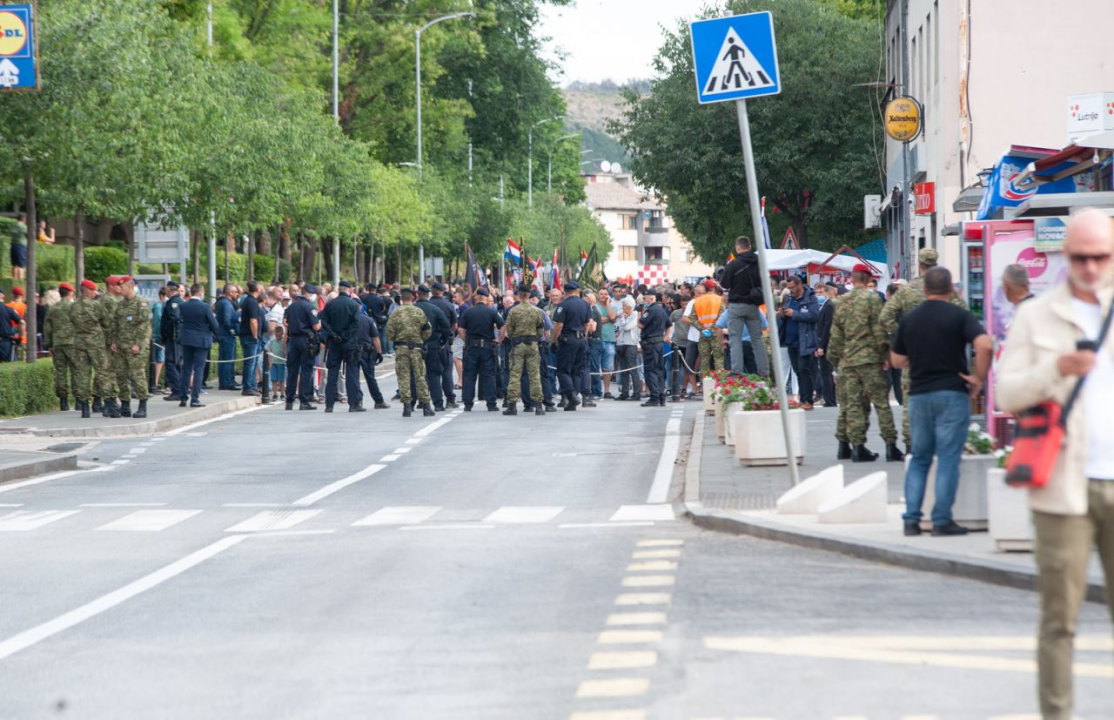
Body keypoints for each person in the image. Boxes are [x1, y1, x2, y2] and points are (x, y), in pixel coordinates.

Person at [996, 209, 1114, 720]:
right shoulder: (1036, 315)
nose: (1091, 267)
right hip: (1063, 486)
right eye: (1081, 257)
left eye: (1101, 256)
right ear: (1066, 257)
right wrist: (1056, 368)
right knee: (1059, 621)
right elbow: (1007, 391)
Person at [891, 266, 992, 537]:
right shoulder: (960, 315)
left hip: (919, 395)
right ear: (951, 289)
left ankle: (911, 520)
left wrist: (918, 356)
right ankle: (941, 520)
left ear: (924, 290)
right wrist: (978, 378)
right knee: (948, 457)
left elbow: (897, 360)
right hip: (952, 392)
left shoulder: (910, 319)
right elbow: (985, 345)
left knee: (920, 458)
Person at [881, 247, 968, 451]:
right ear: (935, 264)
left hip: (913, 354)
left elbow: (885, 317)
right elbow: (964, 316)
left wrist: (904, 336)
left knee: (910, 399)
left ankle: (911, 445)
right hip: (944, 356)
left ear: (919, 265)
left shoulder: (907, 291)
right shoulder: (947, 290)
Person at [827, 265, 903, 463]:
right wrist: (885, 356)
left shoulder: (841, 301)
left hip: (847, 359)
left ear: (851, 279)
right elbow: (879, 331)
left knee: (851, 403)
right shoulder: (872, 299)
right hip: (869, 360)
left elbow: (835, 335)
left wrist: (835, 361)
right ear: (868, 279)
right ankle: (890, 445)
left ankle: (854, 447)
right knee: (881, 403)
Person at [722, 236, 769, 377]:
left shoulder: (733, 264)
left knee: (735, 338)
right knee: (757, 339)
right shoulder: (760, 263)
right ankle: (764, 372)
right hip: (754, 306)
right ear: (749, 246)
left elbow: (725, 284)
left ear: (738, 248)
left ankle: (737, 371)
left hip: (736, 305)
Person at [386, 288, 434, 417]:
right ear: (412, 298)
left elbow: (389, 334)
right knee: (420, 376)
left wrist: (398, 338)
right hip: (417, 348)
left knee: (404, 378)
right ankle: (426, 407)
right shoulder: (419, 312)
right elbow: (427, 330)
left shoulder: (395, 313)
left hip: (401, 349)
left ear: (401, 299)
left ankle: (407, 407)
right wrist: (420, 339)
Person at [501, 284, 546, 416]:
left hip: (518, 345)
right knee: (534, 375)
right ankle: (538, 406)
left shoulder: (513, 311)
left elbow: (509, 330)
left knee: (515, 375)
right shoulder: (537, 311)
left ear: (519, 295)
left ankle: (512, 405)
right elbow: (540, 331)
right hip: (532, 345)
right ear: (529, 295)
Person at [70, 280, 113, 418]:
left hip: (79, 343)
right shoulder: (96, 305)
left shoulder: (73, 306)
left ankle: (84, 407)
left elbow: (72, 321)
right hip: (96, 343)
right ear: (87, 290)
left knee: (83, 374)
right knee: (102, 372)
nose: (95, 293)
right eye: (93, 290)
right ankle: (107, 404)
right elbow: (107, 322)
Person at [110, 277, 152, 419]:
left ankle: (142, 406)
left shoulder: (141, 303)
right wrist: (114, 341)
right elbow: (116, 324)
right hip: (121, 346)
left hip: (135, 346)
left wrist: (138, 344)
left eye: (121, 287)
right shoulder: (121, 305)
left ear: (129, 287)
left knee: (137, 375)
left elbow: (143, 325)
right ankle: (125, 405)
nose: (119, 290)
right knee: (121, 375)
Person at [778, 275, 821, 410]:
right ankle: (803, 399)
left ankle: (807, 400)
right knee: (798, 371)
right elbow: (786, 315)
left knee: (804, 370)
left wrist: (794, 314)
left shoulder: (810, 298)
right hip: (790, 341)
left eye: (792, 288)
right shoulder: (789, 298)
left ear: (799, 285)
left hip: (804, 340)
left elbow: (814, 316)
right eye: (788, 288)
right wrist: (782, 314)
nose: (790, 290)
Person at [319, 280, 363, 412]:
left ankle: (329, 404)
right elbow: (355, 324)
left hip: (334, 342)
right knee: (352, 372)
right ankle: (353, 403)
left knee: (332, 373)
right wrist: (345, 336)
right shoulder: (353, 305)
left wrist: (334, 335)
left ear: (339, 290)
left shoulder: (330, 304)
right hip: (349, 343)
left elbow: (324, 322)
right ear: (349, 290)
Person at [458, 288, 504, 411]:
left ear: (477, 298)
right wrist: (499, 340)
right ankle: (491, 404)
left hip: (472, 348)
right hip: (488, 348)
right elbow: (503, 326)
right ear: (486, 299)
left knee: (469, 375)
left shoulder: (468, 312)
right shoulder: (492, 312)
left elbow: (461, 330)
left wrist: (466, 341)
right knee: (489, 375)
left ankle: (468, 404)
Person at [177, 283, 220, 408]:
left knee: (186, 369)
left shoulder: (183, 306)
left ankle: (183, 398)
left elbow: (180, 320)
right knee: (198, 369)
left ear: (190, 293)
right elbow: (215, 325)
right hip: (201, 340)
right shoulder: (205, 307)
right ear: (201, 293)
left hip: (187, 339)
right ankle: (195, 398)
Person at [552, 281, 592, 411]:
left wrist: (554, 341)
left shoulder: (563, 305)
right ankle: (572, 399)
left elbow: (559, 325)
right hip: (581, 339)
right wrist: (583, 336)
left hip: (568, 339)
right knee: (576, 370)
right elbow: (587, 324)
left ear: (565, 291)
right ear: (577, 291)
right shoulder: (585, 304)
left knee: (563, 370)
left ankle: (571, 396)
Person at [283, 284, 322, 411]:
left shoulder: (291, 306)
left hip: (293, 339)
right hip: (306, 340)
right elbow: (316, 326)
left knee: (292, 370)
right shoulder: (309, 307)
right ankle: (304, 400)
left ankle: (289, 400)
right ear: (308, 294)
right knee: (306, 370)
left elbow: (285, 322)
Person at [416, 285, 451, 411]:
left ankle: (414, 403)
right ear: (428, 295)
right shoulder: (435, 309)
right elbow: (446, 327)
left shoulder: (411, 309)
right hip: (432, 345)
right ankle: (438, 403)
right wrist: (443, 340)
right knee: (434, 374)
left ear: (417, 294)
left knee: (415, 374)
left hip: (414, 346)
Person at [43, 283, 76, 410]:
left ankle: (63, 401)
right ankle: (79, 400)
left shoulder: (53, 308)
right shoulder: (74, 307)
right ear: (70, 293)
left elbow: (47, 328)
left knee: (61, 372)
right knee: (77, 371)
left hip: (57, 344)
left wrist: (49, 344)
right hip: (73, 343)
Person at [638, 291, 672, 407]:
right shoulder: (662, 310)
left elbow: (640, 325)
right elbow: (669, 326)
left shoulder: (651, 310)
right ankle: (661, 397)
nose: (644, 301)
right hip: (658, 343)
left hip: (650, 343)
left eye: (645, 298)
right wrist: (665, 338)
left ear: (650, 299)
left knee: (650, 370)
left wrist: (640, 313)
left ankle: (654, 397)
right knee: (659, 371)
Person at [429, 282, 458, 408]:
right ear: (442, 291)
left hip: (429, 341)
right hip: (444, 341)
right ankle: (450, 399)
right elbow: (454, 325)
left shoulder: (426, 305)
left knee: (432, 373)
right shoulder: (449, 305)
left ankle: (436, 402)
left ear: (432, 291)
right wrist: (449, 336)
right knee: (447, 370)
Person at [689, 279, 725, 376]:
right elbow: (722, 316)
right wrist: (712, 328)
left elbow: (692, 317)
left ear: (705, 288)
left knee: (704, 360)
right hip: (717, 333)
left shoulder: (697, 301)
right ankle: (720, 384)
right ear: (714, 288)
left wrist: (702, 328)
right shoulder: (719, 299)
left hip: (703, 334)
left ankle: (705, 384)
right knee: (718, 359)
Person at [354, 308, 389, 410]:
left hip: (353, 350)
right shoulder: (368, 320)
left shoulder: (349, 319)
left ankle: (357, 401)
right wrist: (379, 352)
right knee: (370, 377)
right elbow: (375, 337)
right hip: (366, 351)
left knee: (354, 377)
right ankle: (378, 401)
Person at [814, 283, 838, 409]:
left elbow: (827, 328)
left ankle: (829, 399)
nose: (819, 295)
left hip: (827, 344)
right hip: (825, 343)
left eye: (822, 292)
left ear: (828, 292)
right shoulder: (824, 306)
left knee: (826, 372)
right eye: (817, 292)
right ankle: (831, 399)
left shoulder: (829, 306)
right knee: (827, 372)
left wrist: (821, 346)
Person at [239, 281, 264, 397]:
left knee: (251, 363)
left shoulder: (247, 301)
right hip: (250, 336)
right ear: (258, 290)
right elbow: (253, 321)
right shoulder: (252, 302)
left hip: (247, 335)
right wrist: (255, 336)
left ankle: (252, 385)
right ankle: (248, 386)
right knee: (250, 362)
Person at [161, 282, 185, 403]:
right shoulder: (179, 301)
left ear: (170, 290)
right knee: (177, 363)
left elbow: (174, 320)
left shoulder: (173, 303)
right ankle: (180, 389)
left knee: (171, 363)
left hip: (174, 339)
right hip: (177, 338)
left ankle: (177, 390)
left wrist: (167, 334)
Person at [615, 296, 640, 401]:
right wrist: (622, 317)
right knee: (624, 370)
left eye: (624, 306)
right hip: (621, 343)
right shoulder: (622, 315)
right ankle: (624, 392)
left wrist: (624, 319)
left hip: (631, 344)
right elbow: (618, 326)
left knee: (632, 369)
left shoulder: (635, 315)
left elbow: (626, 327)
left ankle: (636, 393)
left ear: (630, 307)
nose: (623, 308)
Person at [214, 285, 239, 390]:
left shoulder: (220, 302)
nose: (237, 294)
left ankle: (224, 381)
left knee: (223, 359)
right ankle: (227, 382)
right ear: (230, 293)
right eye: (235, 292)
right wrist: (233, 331)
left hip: (222, 334)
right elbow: (227, 320)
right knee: (228, 359)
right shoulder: (226, 304)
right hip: (227, 335)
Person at [595, 288, 617, 398]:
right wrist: (609, 318)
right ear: (597, 295)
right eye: (601, 294)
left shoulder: (612, 306)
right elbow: (597, 320)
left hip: (610, 340)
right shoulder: (594, 306)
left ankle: (607, 391)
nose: (603, 296)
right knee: (595, 366)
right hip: (597, 339)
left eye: (605, 294)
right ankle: (595, 390)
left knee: (607, 367)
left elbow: (613, 317)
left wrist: (608, 305)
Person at [0, 287, 25, 363]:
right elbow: (22, 322)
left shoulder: (9, 305)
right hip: (5, 342)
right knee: (11, 367)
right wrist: (20, 337)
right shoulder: (7, 308)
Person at [150, 287, 166, 394]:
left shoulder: (161, 307)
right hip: (159, 337)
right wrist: (161, 336)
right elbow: (157, 324)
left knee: (161, 360)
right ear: (161, 296)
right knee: (159, 360)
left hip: (160, 336)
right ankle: (154, 384)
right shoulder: (159, 307)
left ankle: (156, 383)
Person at [268, 327, 286, 401]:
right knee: (274, 379)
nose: (277, 337)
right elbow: (270, 351)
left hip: (282, 363)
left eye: (279, 336)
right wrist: (270, 362)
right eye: (276, 335)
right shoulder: (272, 341)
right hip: (274, 362)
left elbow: (285, 352)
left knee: (282, 380)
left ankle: (282, 394)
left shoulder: (283, 342)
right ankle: (274, 394)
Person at [9, 213, 27, 281]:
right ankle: (21, 280)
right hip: (21, 245)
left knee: (15, 264)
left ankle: (14, 280)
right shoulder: (23, 226)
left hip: (13, 245)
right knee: (21, 265)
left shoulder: (13, 225)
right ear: (23, 218)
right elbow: (27, 234)